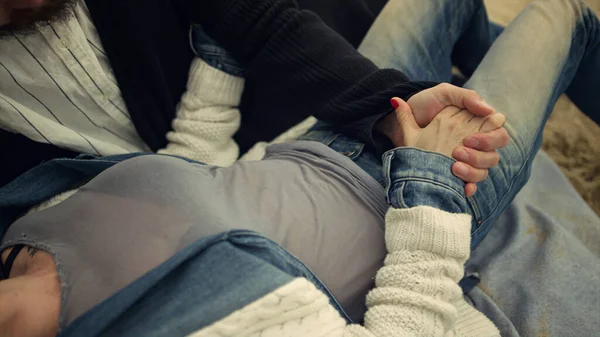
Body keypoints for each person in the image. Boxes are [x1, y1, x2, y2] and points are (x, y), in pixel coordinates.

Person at [2, 1, 600, 337]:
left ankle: (470, 68)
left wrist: (216, 67)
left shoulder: (28, 220)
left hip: (325, 139)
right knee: (562, 13)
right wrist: (429, 179)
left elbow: (189, 178)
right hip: (420, 196)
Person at [0, 0, 497, 190]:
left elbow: (261, 23)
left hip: (310, 103)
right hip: (275, 173)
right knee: (570, 21)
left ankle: (475, 54)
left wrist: (388, 108)